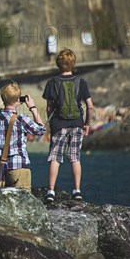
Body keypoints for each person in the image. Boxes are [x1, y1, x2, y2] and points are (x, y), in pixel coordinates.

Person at [42, 48, 93, 202]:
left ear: (58, 64)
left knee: (55, 158)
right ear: (73, 64)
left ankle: (51, 192)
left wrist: (51, 125)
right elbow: (90, 106)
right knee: (75, 158)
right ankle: (77, 191)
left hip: (59, 124)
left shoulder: (52, 83)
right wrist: (87, 124)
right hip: (77, 124)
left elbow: (49, 107)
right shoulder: (81, 82)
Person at [0, 82, 45, 190]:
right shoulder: (21, 119)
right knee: (23, 203)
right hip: (19, 166)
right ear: (18, 100)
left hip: (2, 168)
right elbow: (41, 130)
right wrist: (33, 108)